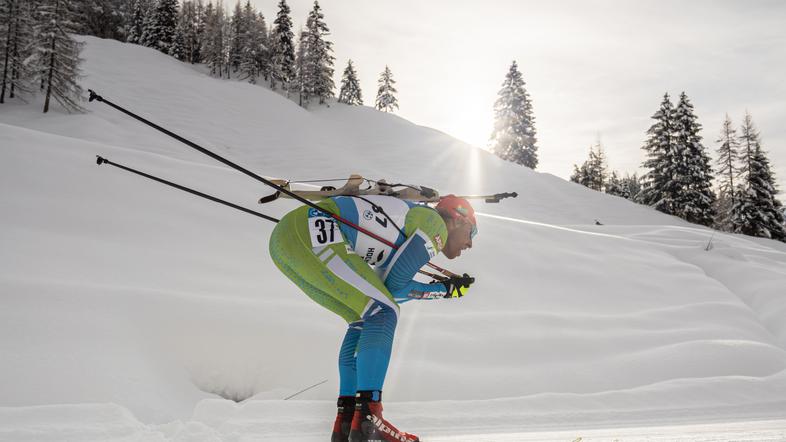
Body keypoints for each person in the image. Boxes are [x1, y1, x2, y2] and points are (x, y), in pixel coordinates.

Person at [269, 194, 476, 442]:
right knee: (383, 312)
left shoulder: (408, 224)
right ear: (457, 219)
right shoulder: (434, 225)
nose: (470, 244)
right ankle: (368, 417)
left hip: (286, 241)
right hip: (313, 231)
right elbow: (396, 288)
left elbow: (386, 290)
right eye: (472, 233)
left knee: (364, 316)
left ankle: (347, 420)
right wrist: (444, 291)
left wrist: (443, 290)